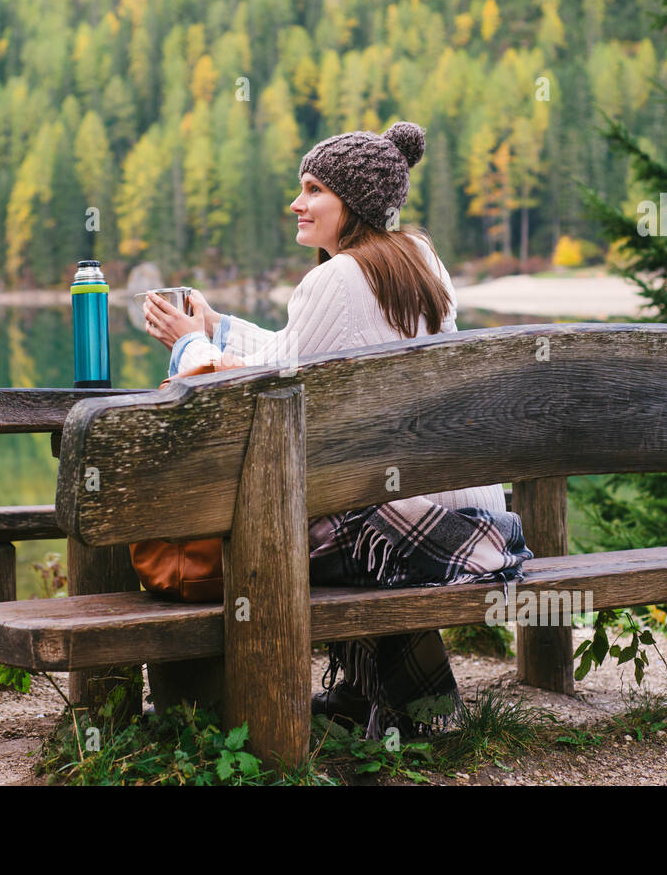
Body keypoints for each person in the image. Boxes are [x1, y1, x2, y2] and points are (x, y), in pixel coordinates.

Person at [142, 122, 531, 738]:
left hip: (409, 529)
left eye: (313, 189)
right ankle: (397, 703)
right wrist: (218, 328)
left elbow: (266, 393)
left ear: (351, 203)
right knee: (335, 504)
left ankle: (217, 711)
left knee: (261, 535)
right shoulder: (419, 262)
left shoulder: (334, 279)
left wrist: (190, 346)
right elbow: (297, 360)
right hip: (474, 518)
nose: (297, 203)